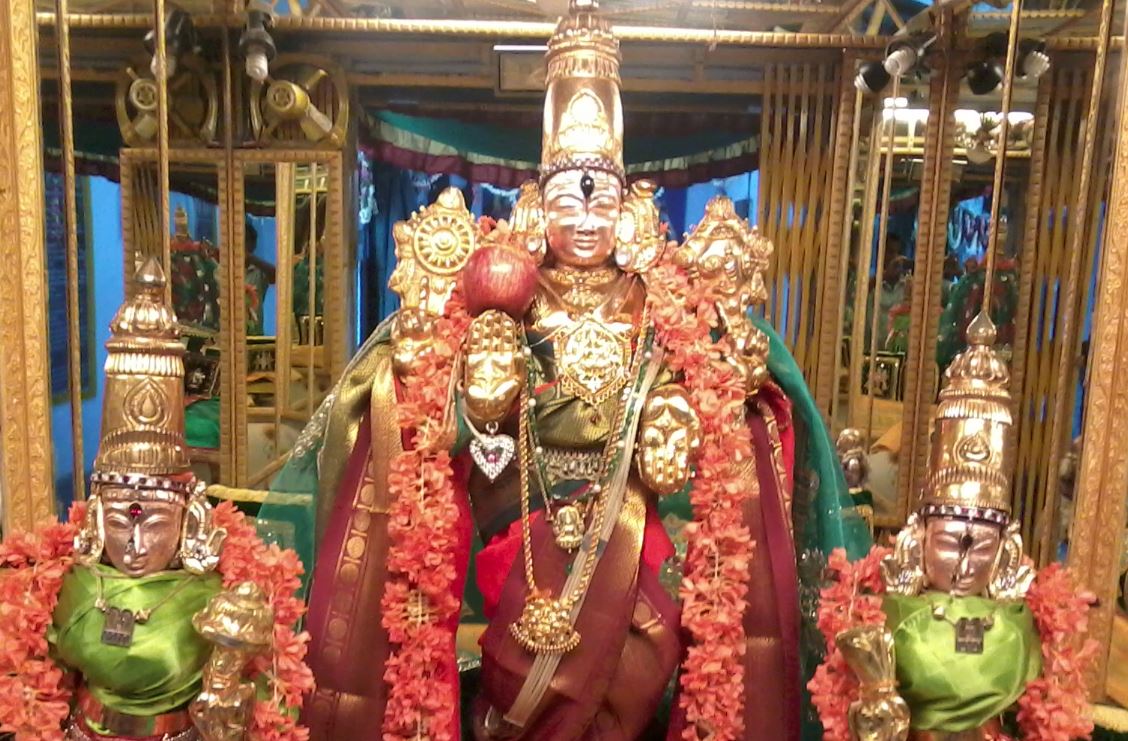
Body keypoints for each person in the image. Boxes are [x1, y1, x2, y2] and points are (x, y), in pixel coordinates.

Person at [261, 3, 869, 739]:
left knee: (642, 664)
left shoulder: (662, 295)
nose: (584, 221)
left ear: (630, 207)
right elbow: (432, 388)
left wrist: (684, 407)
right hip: (526, 515)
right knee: (522, 668)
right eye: (565, 202)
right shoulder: (505, 290)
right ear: (535, 203)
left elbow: (715, 383)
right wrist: (464, 384)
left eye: (602, 201)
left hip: (632, 521)